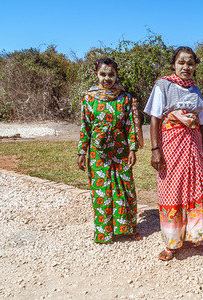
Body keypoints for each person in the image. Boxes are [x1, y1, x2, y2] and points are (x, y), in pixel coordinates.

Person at [145, 46, 203, 261]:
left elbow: (200, 125)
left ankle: (194, 236)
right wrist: (156, 150)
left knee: (193, 189)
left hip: (192, 147)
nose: (186, 67)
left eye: (190, 63)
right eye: (181, 62)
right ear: (174, 64)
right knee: (171, 190)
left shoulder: (196, 90)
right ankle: (171, 243)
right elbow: (155, 118)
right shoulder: (163, 85)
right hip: (170, 146)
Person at [77, 58, 142, 244]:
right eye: (103, 74)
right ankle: (104, 233)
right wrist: (82, 151)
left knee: (125, 188)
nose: (107, 78)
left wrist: (132, 149)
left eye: (111, 74)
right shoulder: (88, 98)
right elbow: (85, 126)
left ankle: (127, 228)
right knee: (101, 191)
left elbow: (130, 125)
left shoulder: (125, 98)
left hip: (120, 152)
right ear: (96, 74)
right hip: (98, 153)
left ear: (116, 75)